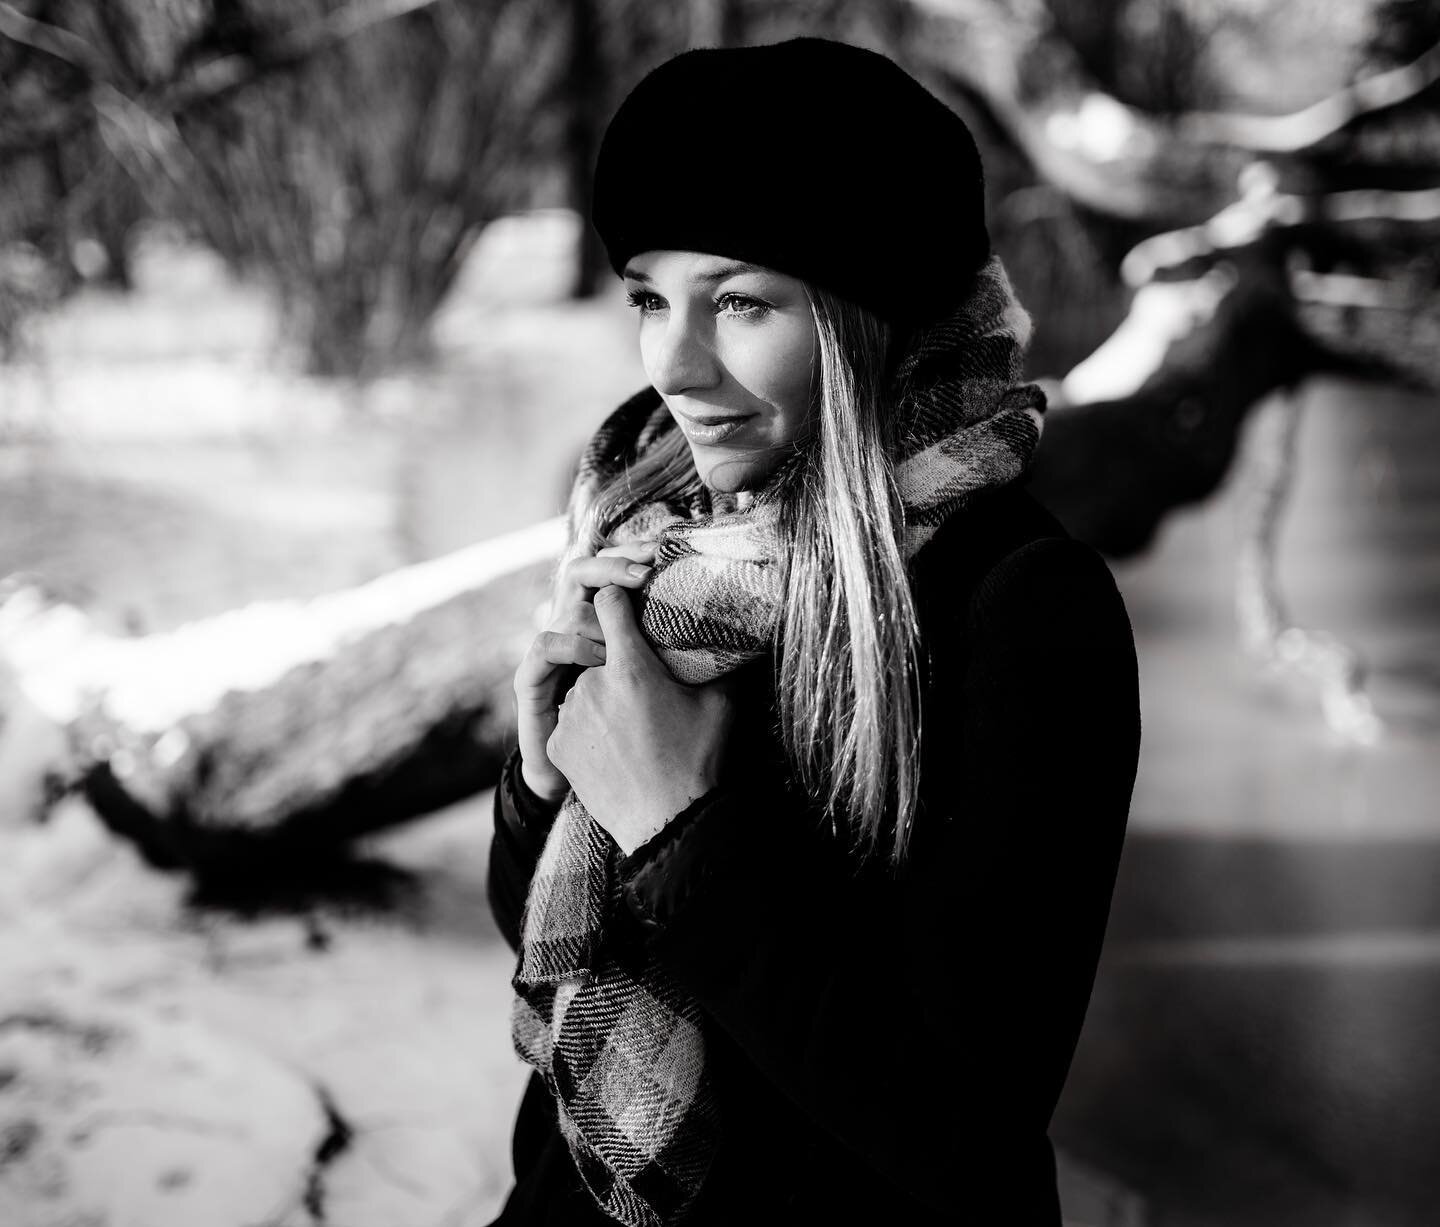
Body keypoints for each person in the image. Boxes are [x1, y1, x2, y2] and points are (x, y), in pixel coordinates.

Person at [485, 36, 1141, 1227]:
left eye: (739, 301)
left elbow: (971, 1147)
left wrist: (682, 829)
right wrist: (541, 780)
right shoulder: (662, 531)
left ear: (866, 312)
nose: (673, 363)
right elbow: (557, 947)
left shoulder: (1023, 607)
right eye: (648, 296)